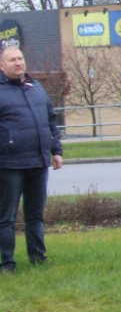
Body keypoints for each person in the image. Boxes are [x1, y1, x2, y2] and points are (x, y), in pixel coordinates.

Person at [0, 46, 63, 273]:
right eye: (12, 60)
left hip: (38, 163)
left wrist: (56, 151)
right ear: (2, 66)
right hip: (9, 166)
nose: (18, 63)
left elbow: (51, 121)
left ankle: (38, 257)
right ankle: (6, 263)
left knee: (35, 215)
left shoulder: (36, 88)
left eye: (20, 58)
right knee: (6, 218)